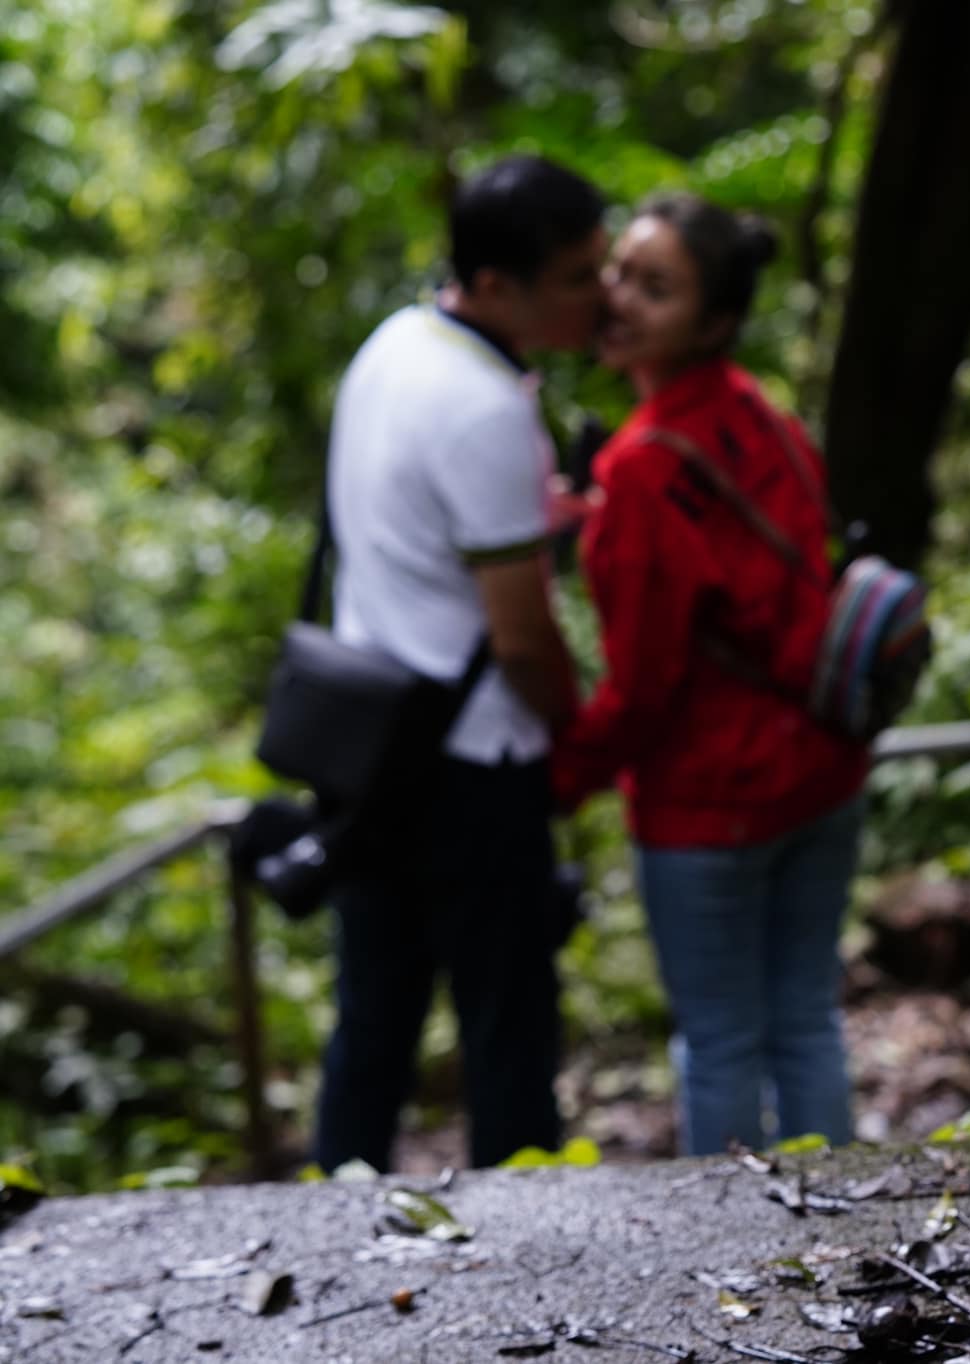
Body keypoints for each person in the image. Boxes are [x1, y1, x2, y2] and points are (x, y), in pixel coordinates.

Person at [552, 193, 869, 1155]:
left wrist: (559, 776)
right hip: (822, 769)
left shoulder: (645, 468)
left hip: (708, 802)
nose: (621, 301)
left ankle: (744, 1287)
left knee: (723, 1044)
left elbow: (646, 685)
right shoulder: (762, 417)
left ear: (714, 319)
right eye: (620, 276)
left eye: (656, 288)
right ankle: (847, 1250)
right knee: (806, 1022)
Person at [314, 155, 607, 1172]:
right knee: (507, 1025)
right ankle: (520, 1265)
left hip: (373, 743)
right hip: (474, 762)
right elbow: (523, 636)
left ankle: (329, 1225)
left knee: (373, 1019)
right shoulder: (486, 404)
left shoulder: (395, 344)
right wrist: (578, 739)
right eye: (577, 276)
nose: (598, 296)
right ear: (494, 285)